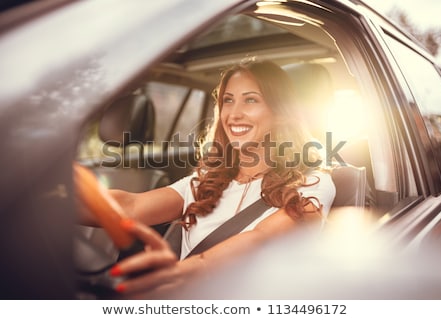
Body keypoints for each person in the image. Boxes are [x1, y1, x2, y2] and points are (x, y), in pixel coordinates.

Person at [78, 59, 336, 295]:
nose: (233, 114)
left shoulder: (313, 183)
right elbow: (129, 207)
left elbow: (262, 238)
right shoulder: (205, 181)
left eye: (251, 100)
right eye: (227, 100)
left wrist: (182, 272)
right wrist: (53, 202)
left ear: (280, 111)